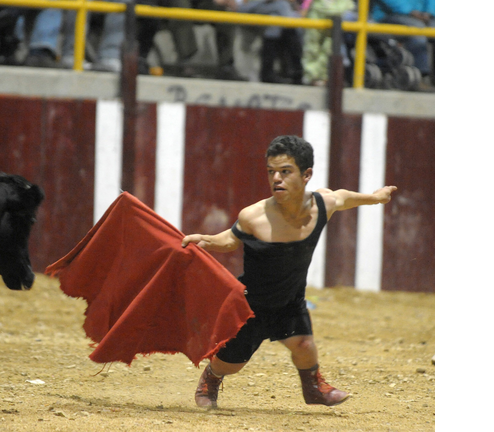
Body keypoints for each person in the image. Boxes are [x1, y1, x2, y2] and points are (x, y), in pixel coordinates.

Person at [181, 135, 397, 408]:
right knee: (231, 362)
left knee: (304, 345)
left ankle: (314, 388)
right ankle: (210, 380)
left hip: (290, 299)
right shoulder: (254, 216)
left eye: (285, 172)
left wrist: (375, 198)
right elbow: (230, 240)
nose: (276, 179)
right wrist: (206, 240)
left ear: (307, 175)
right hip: (252, 304)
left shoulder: (322, 205)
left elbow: (343, 198)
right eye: (271, 172)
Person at [370, 0, 434, 88]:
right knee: (418, 30)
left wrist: (429, 13)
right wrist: (410, 11)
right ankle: (422, 76)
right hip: (390, 15)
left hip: (421, 17)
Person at [299, 0, 355, 86]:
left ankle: (323, 77)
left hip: (336, 14)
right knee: (312, 47)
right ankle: (311, 77)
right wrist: (305, 8)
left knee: (328, 48)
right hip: (318, 12)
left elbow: (348, 6)